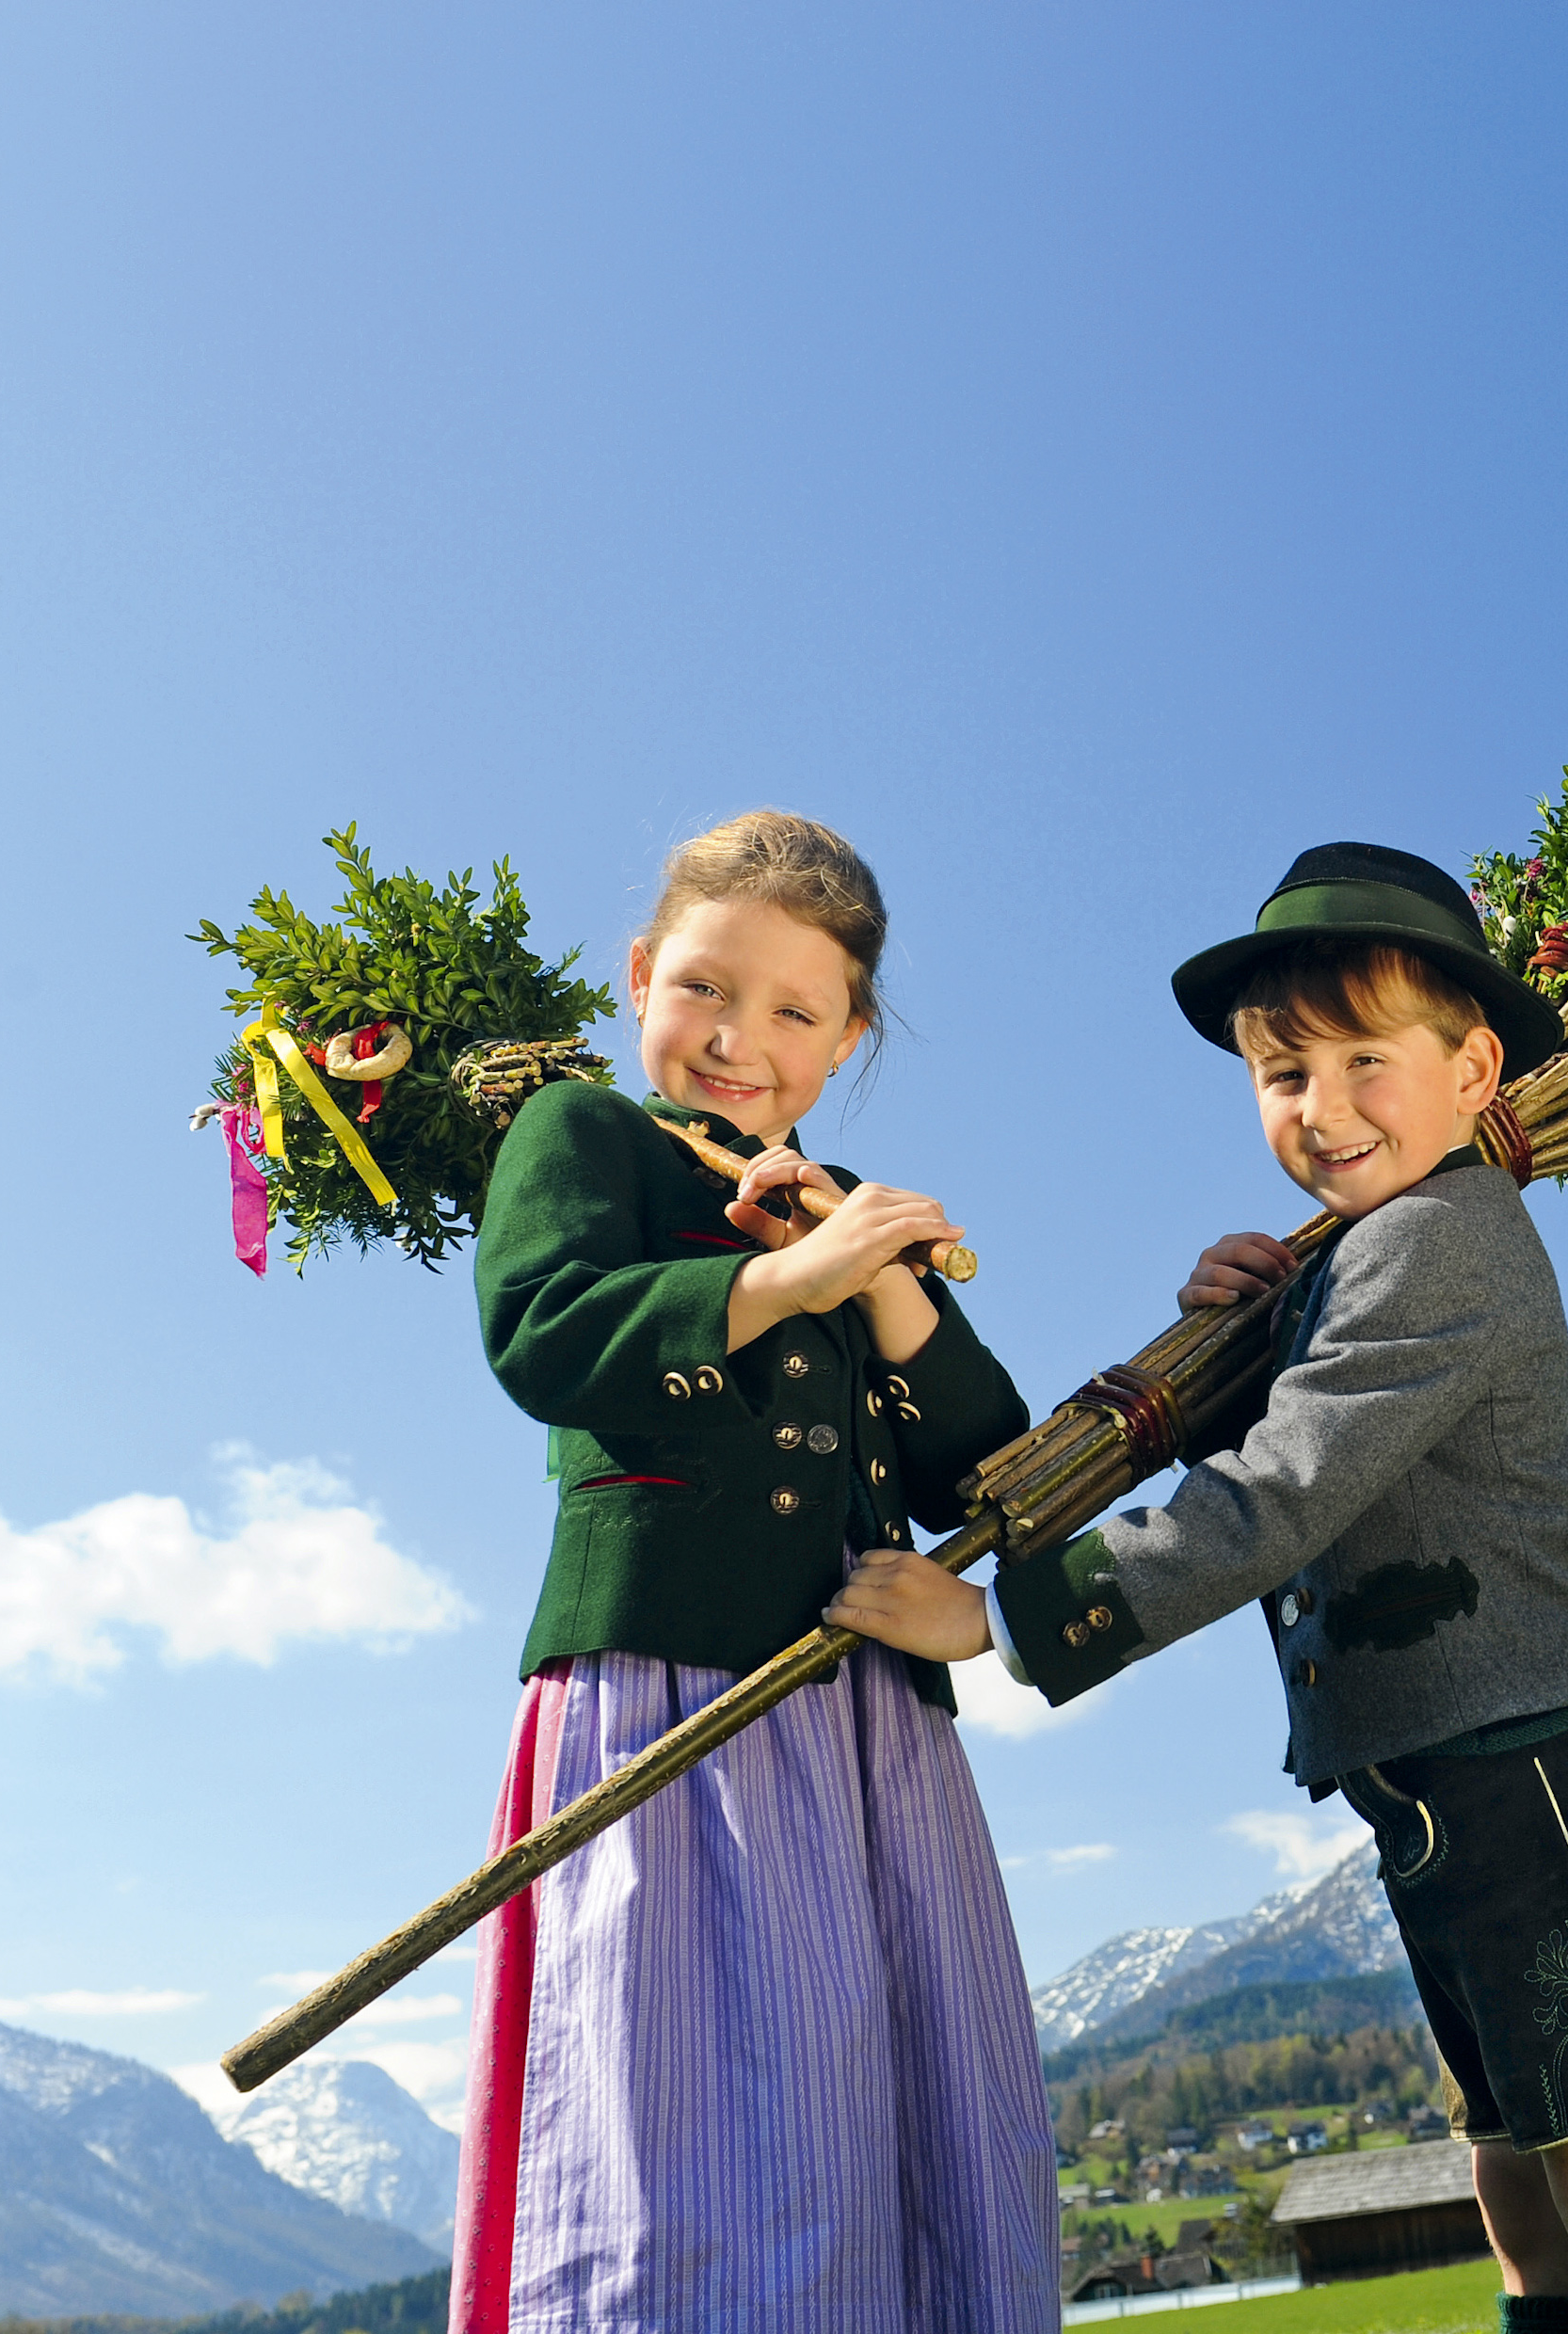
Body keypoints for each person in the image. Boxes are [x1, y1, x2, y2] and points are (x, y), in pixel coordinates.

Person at [828, 843, 1568, 2334]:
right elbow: (1304, 1422)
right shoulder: (1358, 1261)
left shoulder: (1445, 1246)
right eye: (1280, 1073)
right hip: (1450, 1776)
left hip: (1533, 1768)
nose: (1322, 1109)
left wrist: (1005, 1616)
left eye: (1365, 1060)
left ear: (1476, 1068)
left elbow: (1288, 1488)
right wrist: (1248, 1327)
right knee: (1514, 2170)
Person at [455, 810, 1054, 2334]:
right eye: (707, 990)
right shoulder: (580, 1137)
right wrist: (790, 1277)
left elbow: (978, 1466)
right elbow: (547, 1332)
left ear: (848, 1039)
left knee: (884, 2097)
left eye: (796, 1012)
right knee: (688, 2122)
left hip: (868, 1728)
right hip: (667, 1700)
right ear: (645, 973)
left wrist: (893, 1285)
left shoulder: (839, 1202)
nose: (741, 1040)